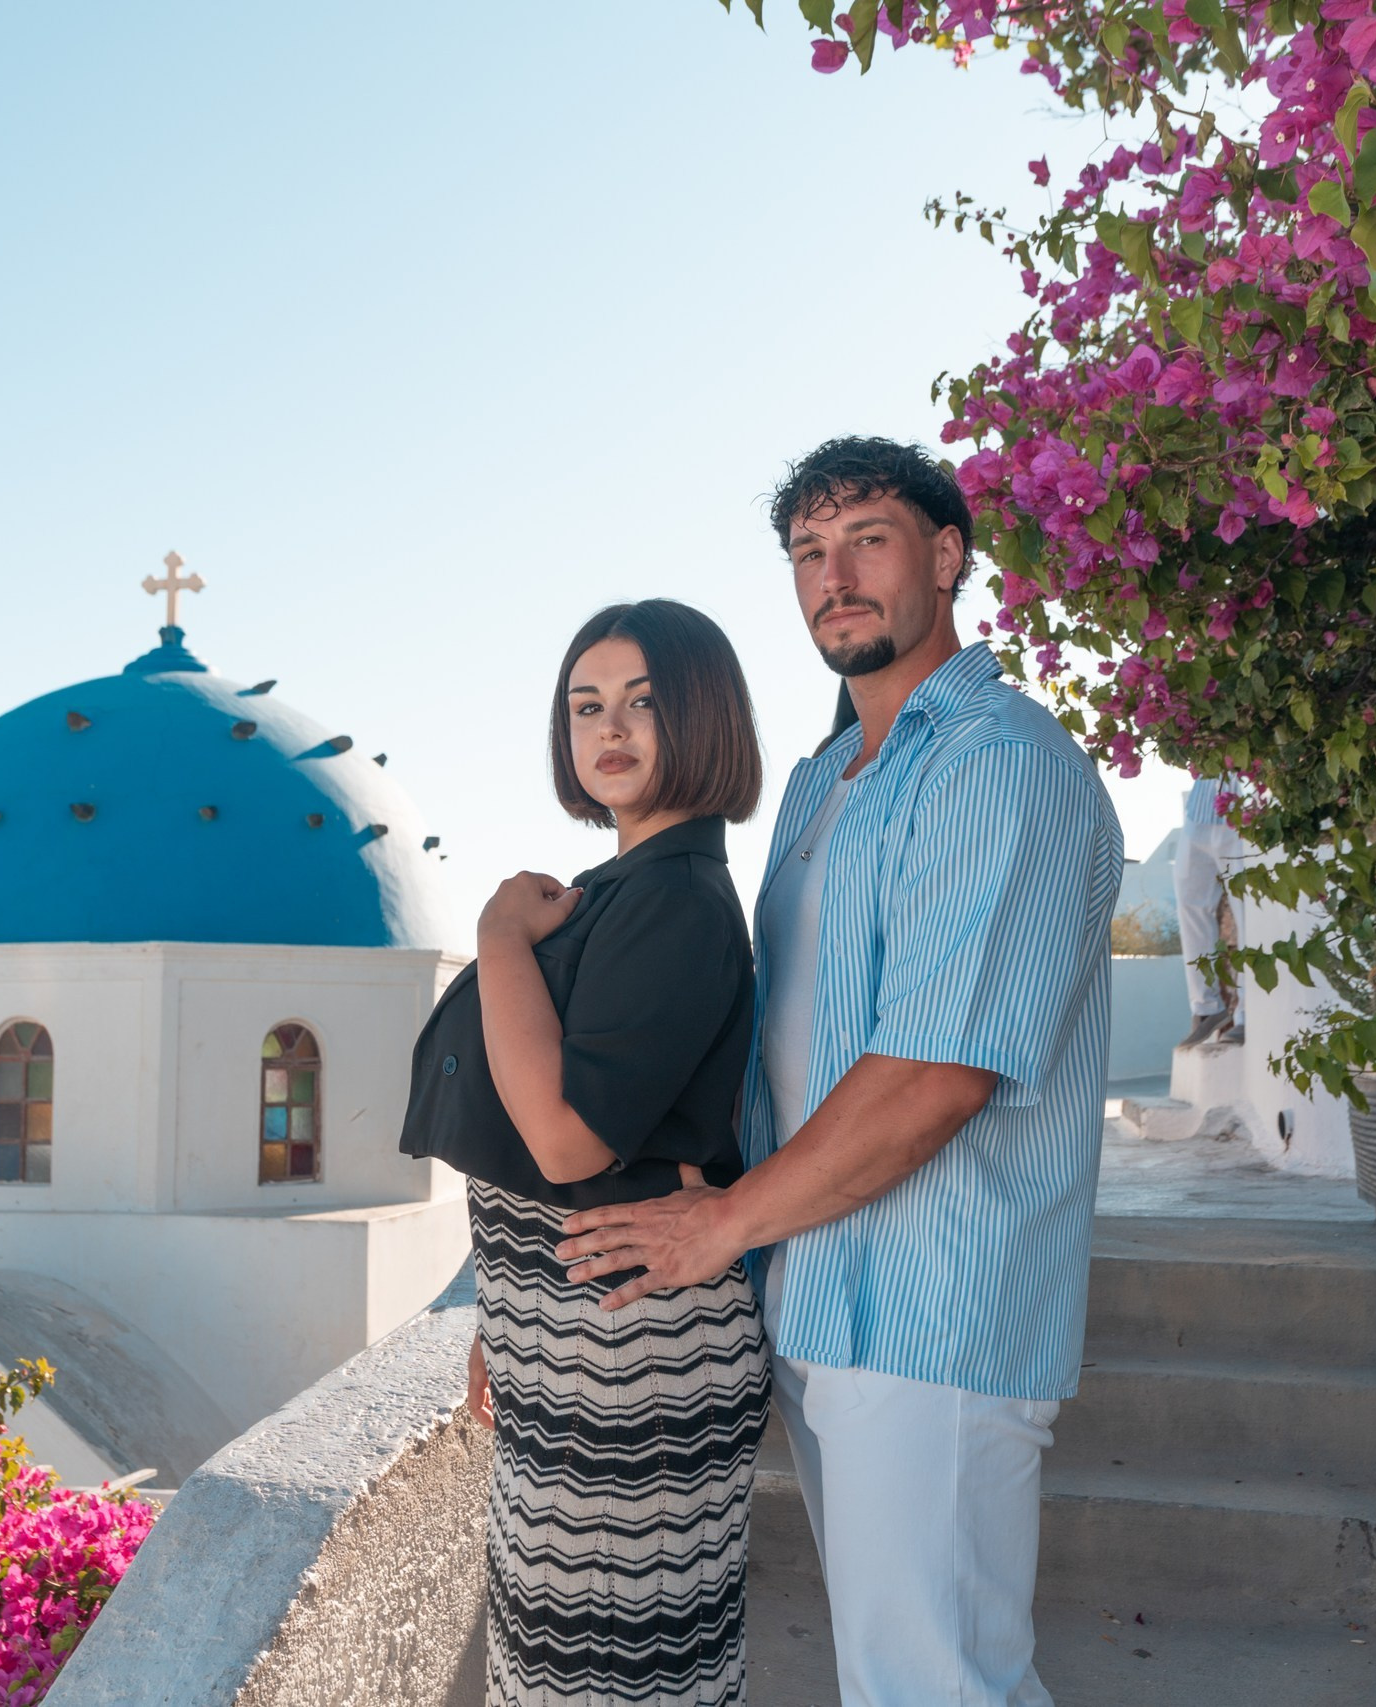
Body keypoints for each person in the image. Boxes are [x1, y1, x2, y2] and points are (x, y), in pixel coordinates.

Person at [556, 438, 1123, 1707]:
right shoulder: (826, 783)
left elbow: (934, 1075)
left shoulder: (998, 766)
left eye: (866, 537)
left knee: (937, 1686)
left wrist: (722, 1227)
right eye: (807, 553)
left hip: (933, 1317)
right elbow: (771, 1058)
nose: (833, 576)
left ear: (944, 554)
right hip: (818, 1294)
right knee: (896, 1680)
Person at [398, 598, 771, 1707]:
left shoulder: (674, 902)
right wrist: (503, 1320)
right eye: (587, 704)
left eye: (646, 702)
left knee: (602, 1684)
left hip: (631, 1365)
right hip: (569, 1350)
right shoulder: (619, 891)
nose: (611, 729)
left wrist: (498, 939)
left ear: (705, 716)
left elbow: (565, 1140)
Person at [1173, 771, 1251, 1049]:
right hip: (1201, 807)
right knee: (1189, 903)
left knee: (1247, 912)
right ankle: (1206, 1007)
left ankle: (1246, 1015)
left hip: (1244, 804)